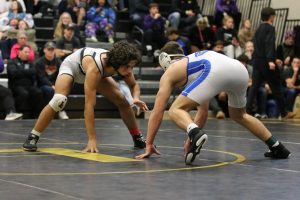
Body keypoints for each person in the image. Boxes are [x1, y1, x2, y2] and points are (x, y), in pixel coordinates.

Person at [136, 41, 291, 165]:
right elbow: (202, 112)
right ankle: (277, 147)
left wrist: (149, 143)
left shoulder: (171, 71)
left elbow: (157, 111)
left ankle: (195, 133)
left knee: (176, 109)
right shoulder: (193, 63)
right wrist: (192, 138)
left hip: (215, 70)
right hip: (239, 69)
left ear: (165, 60)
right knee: (240, 115)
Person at [22, 41, 148, 152]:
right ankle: (33, 136)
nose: (130, 70)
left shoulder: (123, 65)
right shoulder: (96, 67)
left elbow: (134, 85)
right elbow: (89, 105)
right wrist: (92, 139)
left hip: (95, 70)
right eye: (127, 67)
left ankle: (137, 137)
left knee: (122, 100)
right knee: (59, 100)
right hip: (73, 67)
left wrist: (135, 98)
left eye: (132, 67)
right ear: (118, 63)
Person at [246, 7, 295, 119]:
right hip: (266, 63)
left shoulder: (258, 29)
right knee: (276, 86)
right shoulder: (270, 29)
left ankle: (247, 110)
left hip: (257, 62)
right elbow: (269, 45)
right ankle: (284, 112)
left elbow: (258, 47)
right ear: (271, 16)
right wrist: (270, 61)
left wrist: (269, 59)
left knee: (254, 86)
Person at [35, 41, 69, 120]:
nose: (51, 51)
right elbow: (41, 77)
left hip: (56, 84)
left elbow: (62, 74)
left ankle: (61, 111)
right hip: (43, 85)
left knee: (65, 88)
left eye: (52, 49)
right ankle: (50, 112)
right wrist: (51, 85)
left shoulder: (58, 62)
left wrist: (58, 84)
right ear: (44, 50)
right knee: (50, 90)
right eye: (49, 49)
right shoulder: (39, 62)